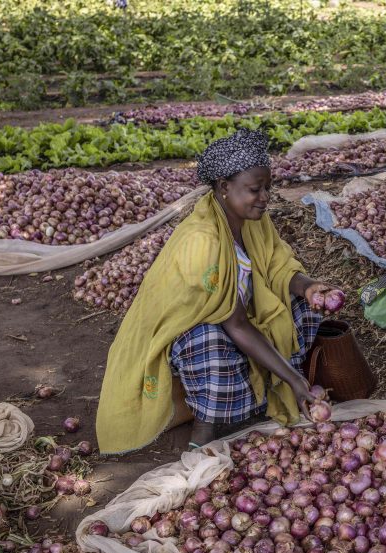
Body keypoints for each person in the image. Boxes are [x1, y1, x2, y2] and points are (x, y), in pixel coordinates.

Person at [96, 130, 342, 454]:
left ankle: (258, 395)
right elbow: (235, 323)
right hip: (183, 336)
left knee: (301, 308)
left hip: (236, 316)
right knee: (209, 341)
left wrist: (309, 287)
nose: (265, 197)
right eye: (255, 190)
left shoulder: (252, 219)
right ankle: (205, 427)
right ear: (225, 187)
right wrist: (295, 379)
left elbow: (277, 265)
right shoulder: (202, 240)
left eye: (268, 187)